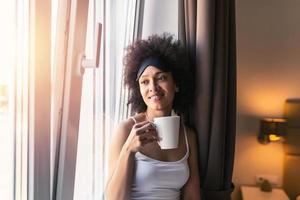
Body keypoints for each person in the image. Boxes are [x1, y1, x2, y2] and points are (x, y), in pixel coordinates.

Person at [105, 33, 201, 200]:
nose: (153, 88)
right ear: (138, 89)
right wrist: (129, 149)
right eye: (145, 81)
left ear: (176, 83)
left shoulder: (188, 136)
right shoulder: (126, 130)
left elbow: (192, 197)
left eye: (161, 78)